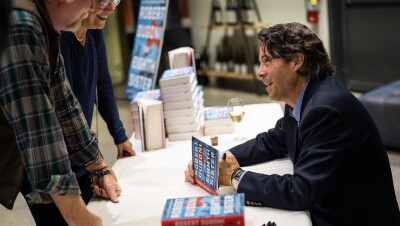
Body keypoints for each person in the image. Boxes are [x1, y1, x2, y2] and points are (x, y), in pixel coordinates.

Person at [185, 22, 400, 226]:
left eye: (267, 61)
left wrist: (235, 177)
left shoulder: (325, 110)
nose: (259, 72)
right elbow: (271, 142)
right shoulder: (303, 95)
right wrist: (217, 161)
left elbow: (300, 191)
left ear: (297, 62)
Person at [0, 0, 122, 225]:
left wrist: (98, 165)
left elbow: (64, 102)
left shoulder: (45, 25)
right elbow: (39, 130)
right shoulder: (20, 22)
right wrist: (79, 216)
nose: (95, 9)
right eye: (93, 1)